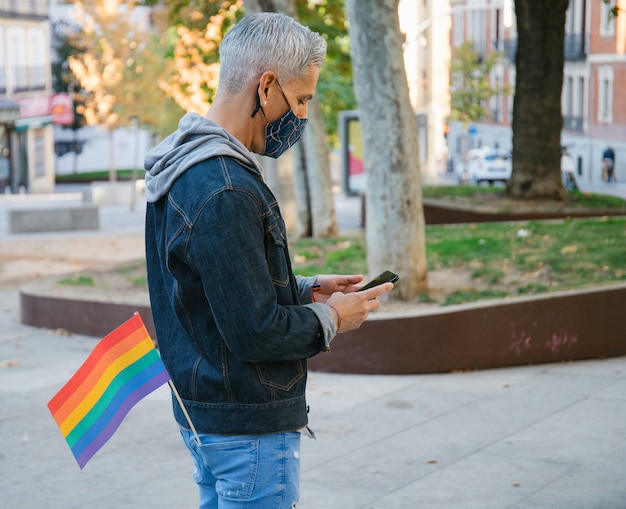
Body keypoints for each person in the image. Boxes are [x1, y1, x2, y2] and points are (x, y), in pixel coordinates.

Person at [143, 12, 394, 509]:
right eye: (300, 100)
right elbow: (254, 330)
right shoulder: (227, 187)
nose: (301, 117)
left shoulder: (183, 169)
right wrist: (333, 318)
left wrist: (305, 289)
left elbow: (208, 287)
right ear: (266, 87)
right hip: (246, 428)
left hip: (207, 415)